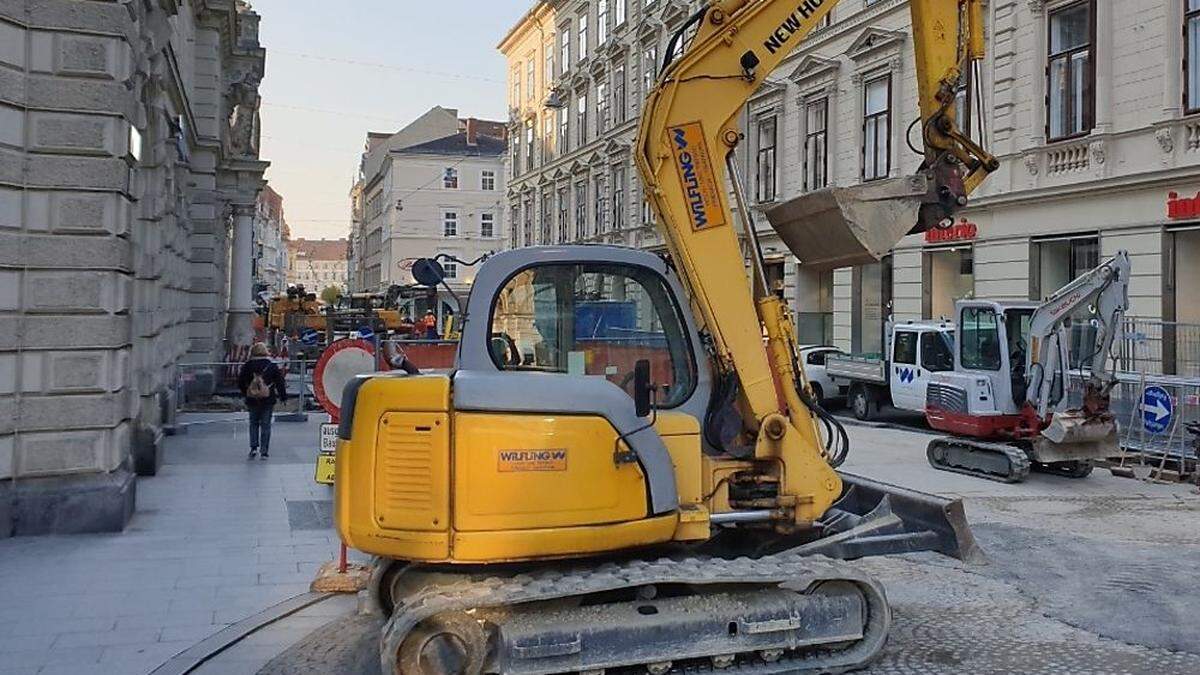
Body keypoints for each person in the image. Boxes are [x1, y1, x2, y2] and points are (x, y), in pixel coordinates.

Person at [238, 343, 289, 460]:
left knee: (253, 423)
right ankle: (264, 451)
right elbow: (280, 382)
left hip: (252, 399)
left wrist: (246, 392)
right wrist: (283, 397)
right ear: (265, 351)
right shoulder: (271, 366)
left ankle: (253, 448)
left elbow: (240, 381)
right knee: (266, 425)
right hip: (268, 399)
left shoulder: (247, 365)